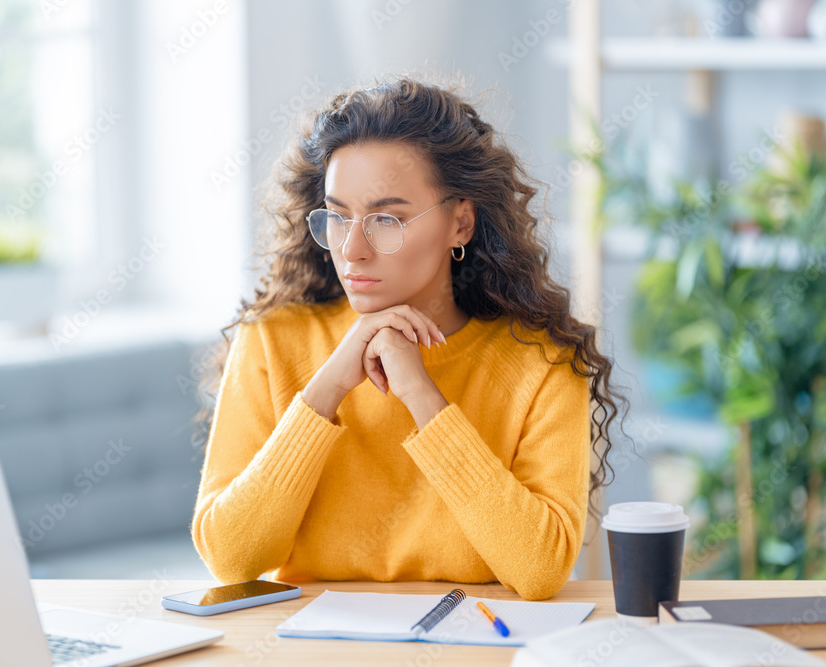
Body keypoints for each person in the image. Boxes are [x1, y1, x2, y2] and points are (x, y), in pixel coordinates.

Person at [190, 75, 623, 601]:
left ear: (460, 223)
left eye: (386, 219)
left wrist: (421, 393)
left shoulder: (542, 361)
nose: (352, 250)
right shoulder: (271, 341)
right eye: (337, 216)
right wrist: (326, 389)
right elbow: (232, 561)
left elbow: (538, 571)